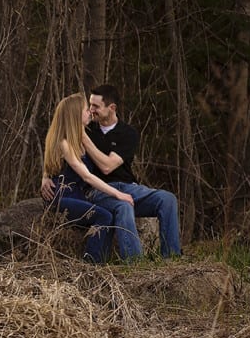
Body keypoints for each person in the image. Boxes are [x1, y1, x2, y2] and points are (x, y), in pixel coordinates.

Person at [42, 84, 182, 259]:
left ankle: (171, 258)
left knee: (167, 199)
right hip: (99, 191)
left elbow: (107, 166)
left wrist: (84, 139)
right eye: (89, 106)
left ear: (112, 108)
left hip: (127, 187)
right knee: (122, 207)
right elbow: (57, 147)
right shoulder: (86, 128)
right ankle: (135, 263)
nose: (91, 111)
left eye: (96, 107)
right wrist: (45, 176)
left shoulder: (127, 133)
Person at [41, 93, 135, 263]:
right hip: (62, 197)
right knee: (104, 216)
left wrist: (45, 175)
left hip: (77, 195)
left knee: (109, 214)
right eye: (85, 110)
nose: (90, 112)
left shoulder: (80, 139)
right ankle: (91, 262)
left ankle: (101, 261)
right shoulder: (64, 143)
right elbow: (86, 176)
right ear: (75, 115)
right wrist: (118, 194)